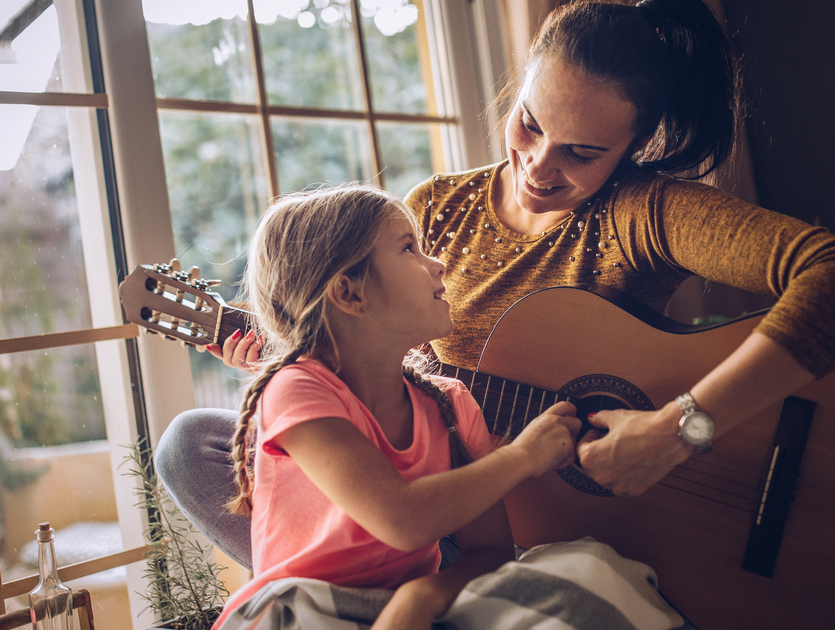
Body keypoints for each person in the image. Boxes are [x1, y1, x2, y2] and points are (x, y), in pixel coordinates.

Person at [157, 0, 835, 583]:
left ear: (634, 147)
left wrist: (681, 429)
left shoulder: (646, 212)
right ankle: (359, 590)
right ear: (519, 90)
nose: (540, 167)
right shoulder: (436, 209)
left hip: (571, 510)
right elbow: (387, 367)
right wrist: (311, 363)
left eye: (582, 153)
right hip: (446, 491)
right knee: (195, 445)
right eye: (530, 125)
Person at [207, 184, 595, 627]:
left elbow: (490, 551)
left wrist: (423, 595)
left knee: (593, 569)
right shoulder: (296, 389)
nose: (438, 264)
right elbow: (399, 518)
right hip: (304, 610)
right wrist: (524, 455)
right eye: (410, 248)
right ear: (350, 294)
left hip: (404, 608)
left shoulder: (449, 404)